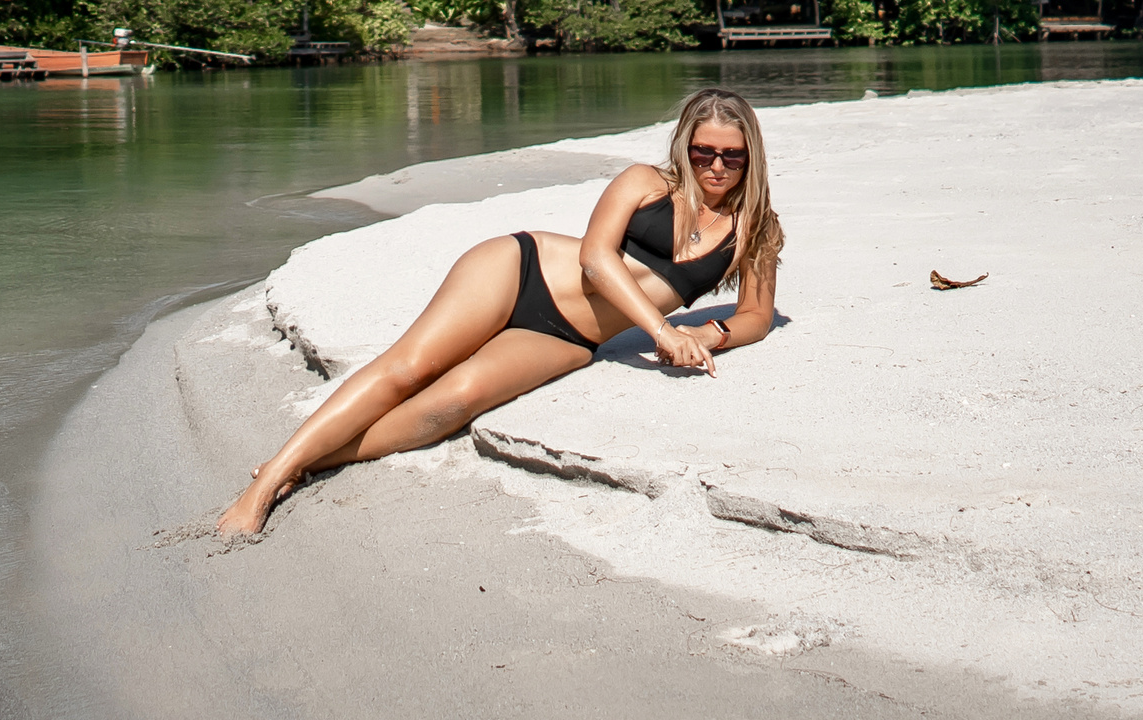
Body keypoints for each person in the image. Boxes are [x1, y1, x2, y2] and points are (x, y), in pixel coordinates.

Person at [214, 86, 782, 541]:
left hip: (569, 337)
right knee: (408, 369)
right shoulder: (645, 182)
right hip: (519, 270)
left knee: (453, 403)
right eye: (703, 151)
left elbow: (758, 313)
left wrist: (710, 334)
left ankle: (304, 467)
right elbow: (594, 259)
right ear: (685, 146)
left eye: (731, 155)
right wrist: (661, 330)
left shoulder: (754, 227)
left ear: (749, 155)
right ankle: (263, 486)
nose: (716, 165)